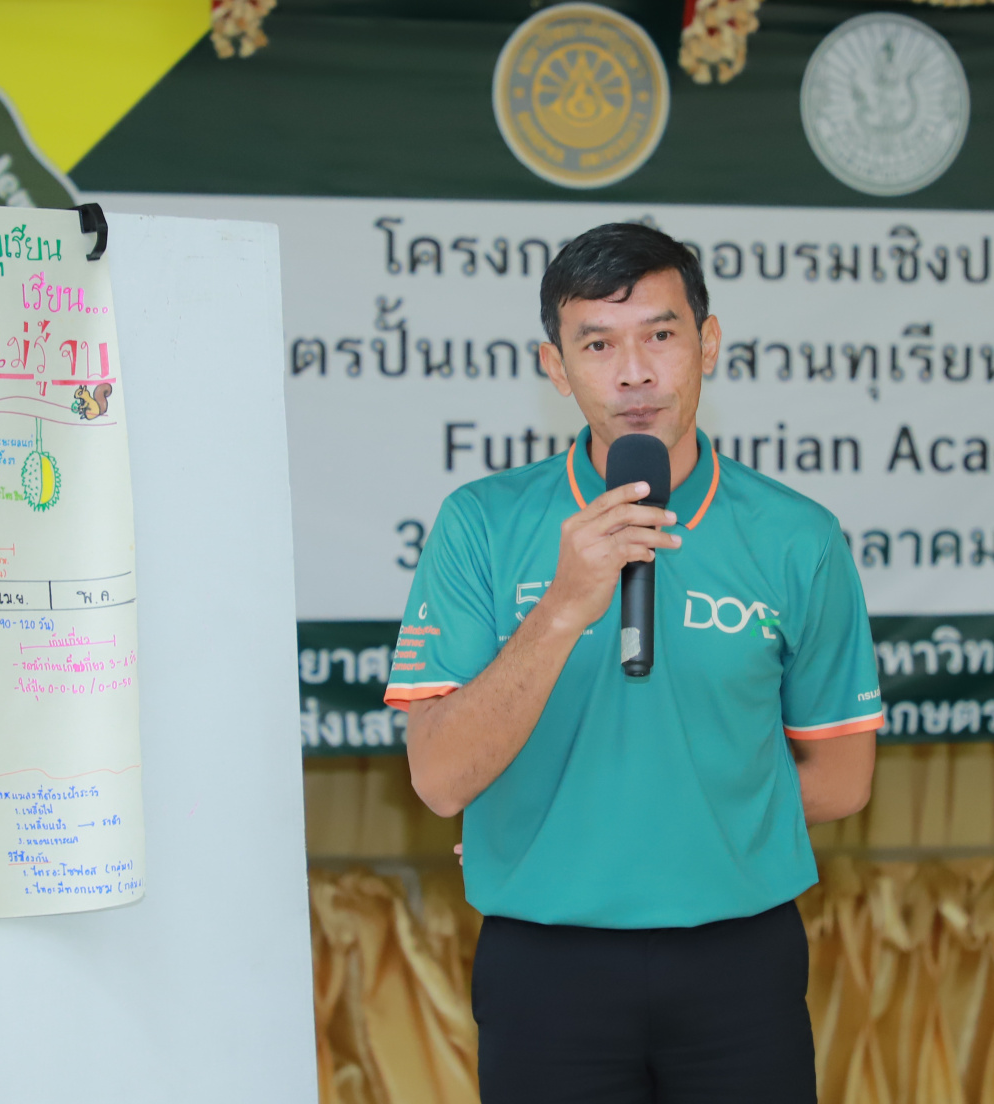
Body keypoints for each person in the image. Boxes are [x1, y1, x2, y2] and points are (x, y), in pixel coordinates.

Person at [384, 223, 882, 1104]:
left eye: (661, 334)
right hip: (547, 963)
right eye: (598, 343)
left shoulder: (797, 536)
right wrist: (566, 604)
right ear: (555, 367)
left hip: (740, 959)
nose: (636, 372)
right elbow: (439, 778)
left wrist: (603, 820)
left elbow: (842, 781)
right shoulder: (481, 523)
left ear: (708, 344)